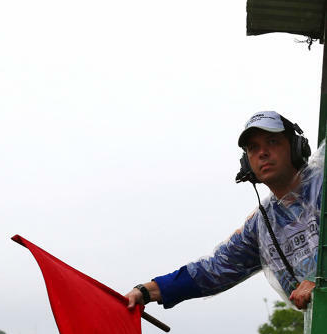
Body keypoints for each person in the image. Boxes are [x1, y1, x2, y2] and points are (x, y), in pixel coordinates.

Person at [125, 111, 321, 312]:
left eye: (272, 141)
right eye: (253, 148)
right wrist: (147, 291)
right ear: (247, 162)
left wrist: (320, 281)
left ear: (296, 147)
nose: (262, 152)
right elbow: (215, 269)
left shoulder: (321, 185)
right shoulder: (264, 223)